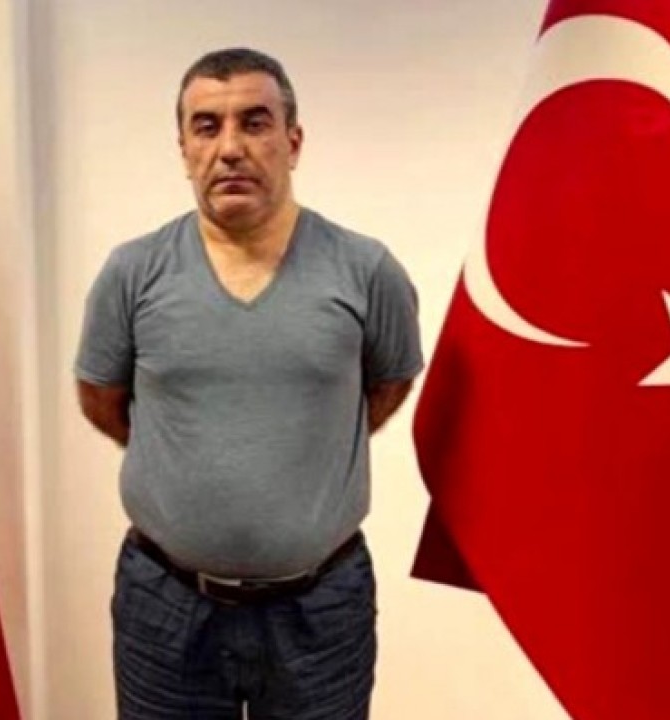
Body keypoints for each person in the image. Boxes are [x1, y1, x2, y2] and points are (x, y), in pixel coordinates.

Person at [74, 46, 423, 720]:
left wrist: (303, 441)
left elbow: (387, 385)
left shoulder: (366, 270)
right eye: (206, 127)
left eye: (255, 123)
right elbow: (104, 400)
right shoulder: (132, 273)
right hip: (164, 607)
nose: (230, 148)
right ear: (183, 149)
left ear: (293, 142)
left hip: (321, 610)